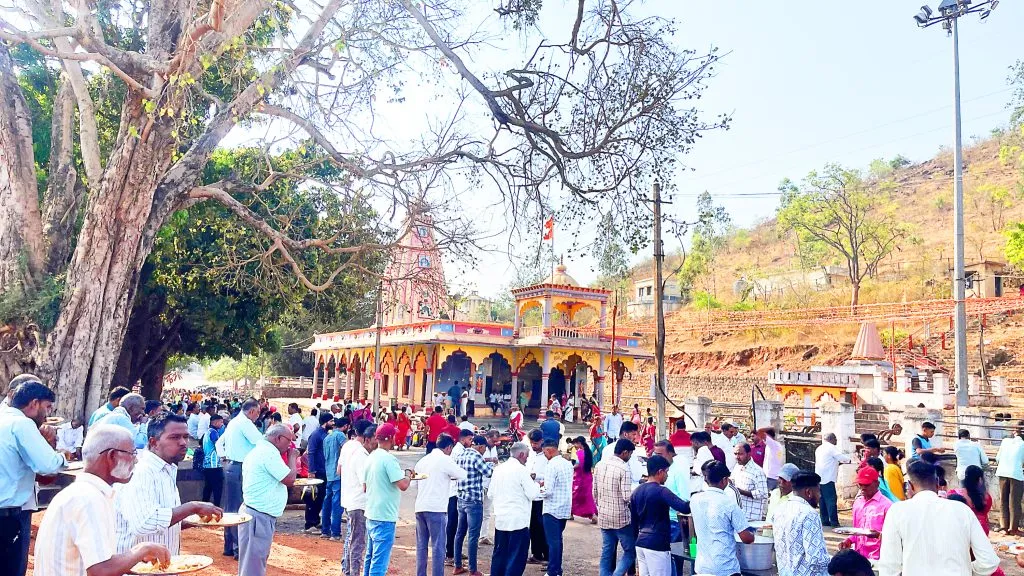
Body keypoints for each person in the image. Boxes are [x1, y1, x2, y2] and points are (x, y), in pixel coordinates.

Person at [34, 425, 171, 576]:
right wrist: (143, 549)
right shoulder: (88, 499)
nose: (136, 460)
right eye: (133, 453)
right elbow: (100, 570)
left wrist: (133, 558)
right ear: (112, 456)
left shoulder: (82, 492)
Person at [114, 412, 223, 554]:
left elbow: (164, 519)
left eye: (185, 437)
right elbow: (145, 523)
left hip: (162, 567)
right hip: (138, 570)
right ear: (154, 443)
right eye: (175, 437)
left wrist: (195, 519)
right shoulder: (141, 471)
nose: (183, 442)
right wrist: (193, 507)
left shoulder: (167, 468)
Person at [878, 461, 1000, 576]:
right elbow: (989, 561)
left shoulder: (897, 511)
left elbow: (889, 567)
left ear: (909, 486)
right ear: (937, 484)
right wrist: (967, 569)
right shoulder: (962, 511)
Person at [0, 376, 67, 576]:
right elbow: (48, 465)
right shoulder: (21, 424)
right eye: (46, 407)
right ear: (34, 403)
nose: (47, 415)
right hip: (9, 516)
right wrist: (63, 458)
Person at [238, 424, 298, 576]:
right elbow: (290, 479)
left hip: (258, 514)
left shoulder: (264, 451)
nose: (290, 445)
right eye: (289, 441)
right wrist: (292, 457)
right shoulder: (268, 453)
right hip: (258, 515)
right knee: (253, 567)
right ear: (278, 438)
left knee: (253, 563)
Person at [363, 423, 413, 576]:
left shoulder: (371, 457)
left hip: (371, 513)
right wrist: (409, 474)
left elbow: (364, 487)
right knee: (379, 564)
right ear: (391, 438)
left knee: (370, 558)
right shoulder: (388, 459)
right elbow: (403, 485)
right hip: (384, 517)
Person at [415, 434, 468, 576]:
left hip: (420, 507)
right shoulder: (445, 460)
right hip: (436, 508)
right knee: (438, 547)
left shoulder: (423, 461)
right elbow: (462, 474)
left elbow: (415, 482)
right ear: (449, 447)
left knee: (421, 546)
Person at [689, 461, 754, 576]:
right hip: (725, 568)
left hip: (702, 567)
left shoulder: (695, 499)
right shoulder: (729, 504)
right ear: (725, 480)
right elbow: (746, 538)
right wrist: (753, 534)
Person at [630, 455, 691, 576]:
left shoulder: (636, 491)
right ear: (660, 472)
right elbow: (684, 507)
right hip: (657, 544)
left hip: (640, 544)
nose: (667, 476)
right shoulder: (662, 491)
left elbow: (633, 522)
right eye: (666, 472)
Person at [219, 397, 263, 558]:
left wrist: (223, 456)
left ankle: (229, 546)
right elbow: (261, 442)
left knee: (230, 507)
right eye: (257, 412)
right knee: (240, 507)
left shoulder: (233, 422)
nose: (258, 416)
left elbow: (219, 443)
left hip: (231, 466)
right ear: (251, 411)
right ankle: (239, 548)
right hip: (241, 467)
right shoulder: (245, 423)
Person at [489, 441, 541, 576]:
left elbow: (490, 493)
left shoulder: (498, 469)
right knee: (516, 557)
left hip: (501, 519)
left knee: (500, 554)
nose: (527, 459)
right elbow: (533, 494)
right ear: (522, 454)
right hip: (518, 520)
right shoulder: (522, 470)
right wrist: (537, 485)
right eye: (527, 456)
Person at [773, 471, 831, 576]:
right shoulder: (809, 514)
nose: (820, 496)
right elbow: (816, 559)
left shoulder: (780, 509)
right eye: (818, 491)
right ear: (809, 492)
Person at [454, 435, 495, 576]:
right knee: (473, 536)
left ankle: (457, 565)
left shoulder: (461, 454)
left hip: (461, 498)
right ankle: (473, 569)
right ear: (481, 446)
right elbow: (489, 473)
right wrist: (491, 464)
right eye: (484, 449)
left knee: (459, 533)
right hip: (474, 500)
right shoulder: (476, 456)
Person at [595, 438, 637, 576]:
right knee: (630, 552)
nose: (630, 457)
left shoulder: (600, 464)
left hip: (603, 515)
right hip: (620, 518)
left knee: (607, 551)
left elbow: (594, 493)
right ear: (625, 452)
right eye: (630, 454)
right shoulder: (624, 468)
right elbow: (626, 497)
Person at [340, 421, 376, 576]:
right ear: (367, 437)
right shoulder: (361, 454)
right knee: (357, 542)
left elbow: (339, 470)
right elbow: (365, 484)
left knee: (351, 537)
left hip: (348, 498)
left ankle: (347, 570)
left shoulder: (347, 446)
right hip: (358, 502)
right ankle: (352, 572)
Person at [839, 467, 891, 561]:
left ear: (877, 484)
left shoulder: (887, 506)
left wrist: (878, 535)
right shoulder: (857, 503)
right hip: (859, 557)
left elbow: (893, 537)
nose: (863, 488)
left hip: (878, 558)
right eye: (860, 484)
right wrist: (849, 540)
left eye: (866, 484)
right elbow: (856, 531)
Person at [540, 439, 573, 576]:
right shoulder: (567, 464)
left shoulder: (551, 465)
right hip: (564, 507)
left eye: (544, 453)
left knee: (553, 542)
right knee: (558, 540)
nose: (544, 455)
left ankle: (553, 571)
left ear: (549, 450)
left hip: (552, 508)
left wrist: (537, 489)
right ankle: (557, 569)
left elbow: (548, 491)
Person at [653, 441, 690, 545]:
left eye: (660, 454)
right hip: (661, 520)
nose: (657, 457)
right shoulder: (660, 469)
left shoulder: (678, 471)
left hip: (674, 521)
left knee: (673, 555)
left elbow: (685, 499)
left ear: (670, 453)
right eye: (655, 454)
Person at [814, 432, 851, 528]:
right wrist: (850, 460)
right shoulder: (831, 448)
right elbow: (841, 457)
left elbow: (829, 461)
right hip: (828, 478)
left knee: (822, 500)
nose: (836, 441)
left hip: (819, 477)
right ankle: (834, 522)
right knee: (831, 500)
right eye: (835, 438)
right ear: (831, 439)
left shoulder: (819, 448)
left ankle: (825, 520)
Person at [304, 411, 332, 532]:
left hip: (324, 470)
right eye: (331, 421)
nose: (333, 423)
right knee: (313, 497)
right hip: (317, 471)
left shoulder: (325, 434)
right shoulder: (316, 435)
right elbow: (311, 453)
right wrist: (311, 471)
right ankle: (310, 523)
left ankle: (316, 520)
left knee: (321, 497)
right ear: (325, 422)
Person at [322, 417, 349, 540]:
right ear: (345, 426)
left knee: (327, 501)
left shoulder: (327, 438)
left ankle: (325, 530)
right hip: (338, 474)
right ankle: (335, 532)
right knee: (337, 503)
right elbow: (347, 452)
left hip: (329, 473)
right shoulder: (341, 437)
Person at [994, 421, 1024, 535]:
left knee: (1003, 500)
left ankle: (1004, 526)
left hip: (1002, 472)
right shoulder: (1023, 444)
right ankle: (1013, 528)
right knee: (1014, 502)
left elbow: (997, 458)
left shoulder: (1005, 441)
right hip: (1016, 474)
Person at [524, 430, 548, 564]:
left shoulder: (546, 456)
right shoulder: (530, 454)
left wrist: (537, 477)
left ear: (541, 441)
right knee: (532, 526)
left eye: (536, 443)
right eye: (532, 443)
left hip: (542, 496)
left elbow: (549, 475)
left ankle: (546, 554)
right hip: (530, 495)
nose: (534, 445)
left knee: (542, 526)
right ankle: (536, 554)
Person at [949, 464, 994, 535]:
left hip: (959, 532)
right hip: (981, 531)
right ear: (980, 480)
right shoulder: (986, 497)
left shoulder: (954, 494)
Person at [731, 442, 769, 522]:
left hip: (751, 517)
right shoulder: (737, 466)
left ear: (749, 454)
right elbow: (732, 481)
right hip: (739, 514)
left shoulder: (757, 471)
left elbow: (763, 493)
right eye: (735, 454)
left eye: (740, 454)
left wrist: (740, 491)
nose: (737, 457)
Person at [601, 421, 647, 486]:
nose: (635, 438)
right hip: (626, 489)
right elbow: (636, 476)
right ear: (625, 434)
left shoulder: (607, 448)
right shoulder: (629, 452)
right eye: (633, 434)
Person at [570, 436, 598, 522]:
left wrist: (570, 468)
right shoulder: (588, 451)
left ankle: (570, 513)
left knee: (574, 496)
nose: (574, 445)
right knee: (588, 496)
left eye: (575, 443)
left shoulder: (579, 452)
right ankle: (592, 515)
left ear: (579, 443)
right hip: (588, 477)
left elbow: (578, 464)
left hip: (579, 477)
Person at [202, 413, 226, 506]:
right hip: (214, 465)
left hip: (207, 464)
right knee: (217, 490)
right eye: (221, 422)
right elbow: (218, 445)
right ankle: (217, 508)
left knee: (208, 488)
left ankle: (203, 508)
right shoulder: (213, 432)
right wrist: (224, 456)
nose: (222, 424)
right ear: (215, 422)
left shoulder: (207, 432)